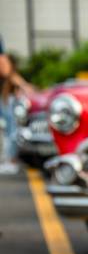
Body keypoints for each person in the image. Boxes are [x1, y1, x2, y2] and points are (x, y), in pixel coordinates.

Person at [0, 36, 32, 174]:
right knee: (9, 132)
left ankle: (11, 161)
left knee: (11, 132)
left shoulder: (11, 80)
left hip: (8, 101)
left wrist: (28, 89)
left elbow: (18, 81)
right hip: (6, 100)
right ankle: (9, 161)